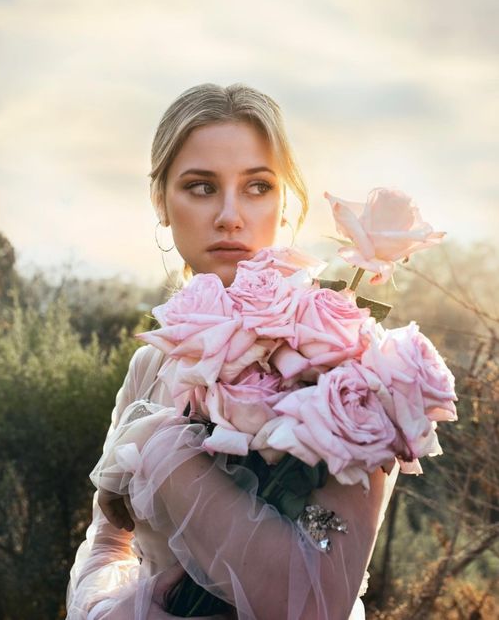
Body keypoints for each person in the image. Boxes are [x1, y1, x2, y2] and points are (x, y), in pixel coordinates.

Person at [66, 83, 399, 620]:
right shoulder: (152, 363)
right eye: (200, 187)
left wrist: (162, 450)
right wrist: (108, 609)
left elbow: (319, 603)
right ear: (161, 202)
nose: (229, 215)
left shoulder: (345, 363)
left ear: (287, 200)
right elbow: (109, 541)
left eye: (257, 186)